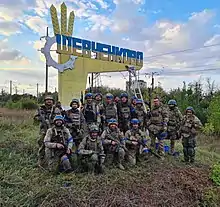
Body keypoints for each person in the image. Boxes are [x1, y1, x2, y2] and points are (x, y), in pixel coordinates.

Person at [34, 95, 60, 167]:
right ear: (45, 101)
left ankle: (53, 161)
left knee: (54, 144)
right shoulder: (41, 109)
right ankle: (40, 160)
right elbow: (35, 118)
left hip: (54, 129)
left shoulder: (56, 109)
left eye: (50, 100)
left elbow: (60, 118)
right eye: (47, 100)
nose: (49, 101)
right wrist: (41, 119)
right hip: (44, 130)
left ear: (53, 101)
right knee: (42, 144)